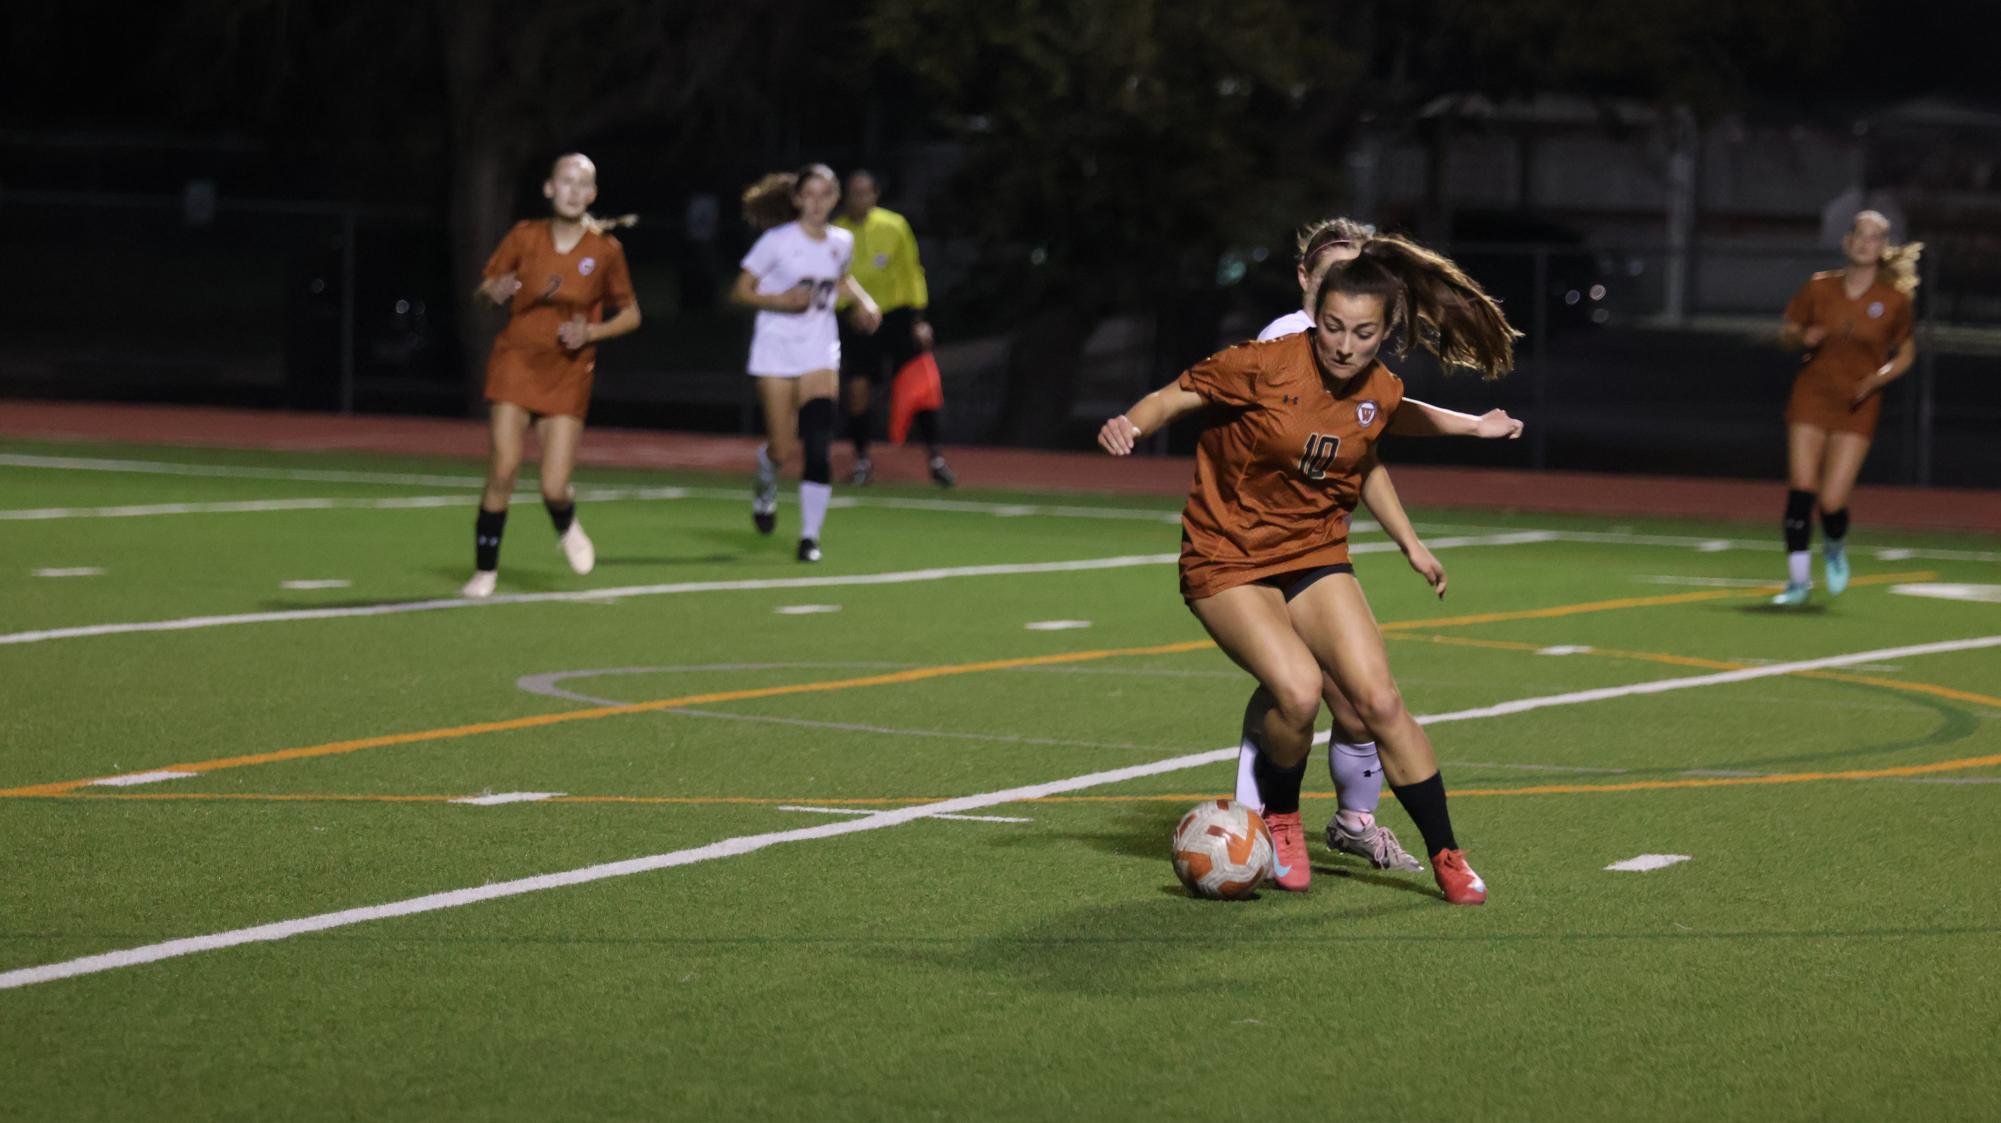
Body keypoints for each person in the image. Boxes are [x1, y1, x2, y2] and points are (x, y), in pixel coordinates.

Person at [1098, 233, 1524, 903]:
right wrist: (1129, 421)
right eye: (1331, 327)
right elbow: (1176, 393)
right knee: (1297, 690)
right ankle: (1283, 818)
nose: (1342, 344)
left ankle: (1447, 853)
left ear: (1384, 332)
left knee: (1377, 700)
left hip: (1314, 553)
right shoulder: (1263, 362)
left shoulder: (1376, 385)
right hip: (1226, 556)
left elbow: (1389, 416)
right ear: (1312, 313)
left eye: (1360, 332)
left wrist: (1473, 427)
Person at [1233, 217, 1433, 874]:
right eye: (1333, 275)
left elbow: (1364, 454)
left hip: (1315, 547)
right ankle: (1252, 826)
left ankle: (1349, 821)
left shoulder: (1345, 350)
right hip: (1263, 548)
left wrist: (1408, 540)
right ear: (1306, 280)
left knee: (1352, 693)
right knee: (1293, 687)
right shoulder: (1287, 339)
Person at [463, 153, 641, 598]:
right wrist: (493, 292)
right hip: (516, 361)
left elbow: (632, 315)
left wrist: (592, 331)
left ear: (593, 194)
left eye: (583, 184)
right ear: (549, 188)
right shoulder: (524, 237)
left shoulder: (605, 251)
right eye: (566, 181)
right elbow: (485, 292)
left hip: (567, 370)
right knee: (503, 468)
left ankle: (565, 521)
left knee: (553, 486)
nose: (574, 190)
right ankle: (485, 571)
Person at [732, 164, 882, 562]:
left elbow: (841, 279)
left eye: (825, 194)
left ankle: (809, 537)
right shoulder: (776, 242)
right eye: (809, 195)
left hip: (819, 351)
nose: (817, 203)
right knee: (783, 448)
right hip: (776, 350)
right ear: (797, 199)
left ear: (836, 199)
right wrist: (780, 300)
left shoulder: (842, 240)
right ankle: (767, 475)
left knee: (818, 445)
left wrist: (864, 302)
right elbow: (741, 290)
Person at [1772, 210, 1921, 606]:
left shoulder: (1894, 301)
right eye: (1859, 233)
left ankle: (1835, 545)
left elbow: (1906, 352)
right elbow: (1787, 335)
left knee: (1832, 502)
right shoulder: (1819, 288)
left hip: (1858, 402)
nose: (1865, 242)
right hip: (1812, 396)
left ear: (1882, 248)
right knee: (1802, 489)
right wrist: (1802, 336)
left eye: (1875, 237)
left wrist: (1879, 378)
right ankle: (1797, 582)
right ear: (1847, 240)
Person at [833, 170, 954, 487]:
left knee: (921, 389)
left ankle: (936, 458)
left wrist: (918, 319)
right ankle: (862, 461)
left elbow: (912, 272)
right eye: (852, 193)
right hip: (858, 321)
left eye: (864, 193)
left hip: (898, 316)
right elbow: (831, 280)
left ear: (875, 196)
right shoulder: (835, 232)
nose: (858, 200)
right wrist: (849, 311)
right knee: (857, 391)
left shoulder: (894, 226)